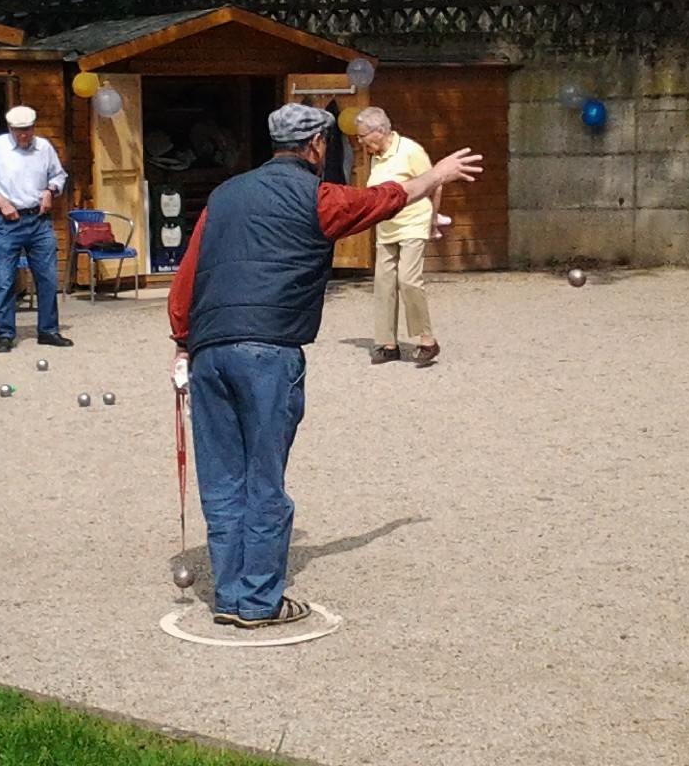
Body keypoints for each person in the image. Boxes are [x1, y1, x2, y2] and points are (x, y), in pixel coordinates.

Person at [167, 103, 482, 629]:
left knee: (223, 480)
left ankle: (228, 596)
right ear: (316, 145)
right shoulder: (320, 196)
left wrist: (183, 342)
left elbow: (188, 274)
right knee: (264, 480)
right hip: (269, 351)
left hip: (209, 350)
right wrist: (437, 175)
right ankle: (260, 602)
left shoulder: (223, 196)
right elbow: (383, 200)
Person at [0, 105, 72, 352]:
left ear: (33, 128)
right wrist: (0, 201)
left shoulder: (44, 148)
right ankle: (5, 334)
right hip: (7, 220)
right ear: (9, 129)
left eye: (26, 130)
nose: (23, 136)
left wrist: (50, 191)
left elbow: (59, 175)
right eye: (18, 131)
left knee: (47, 277)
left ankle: (48, 330)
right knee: (4, 278)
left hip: (38, 220)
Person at [354, 107, 444, 365]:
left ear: (380, 131)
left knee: (408, 280)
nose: (360, 142)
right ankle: (387, 343)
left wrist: (433, 219)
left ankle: (427, 340)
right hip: (387, 228)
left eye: (363, 136)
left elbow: (433, 183)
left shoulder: (410, 151)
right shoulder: (376, 156)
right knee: (383, 283)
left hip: (413, 224)